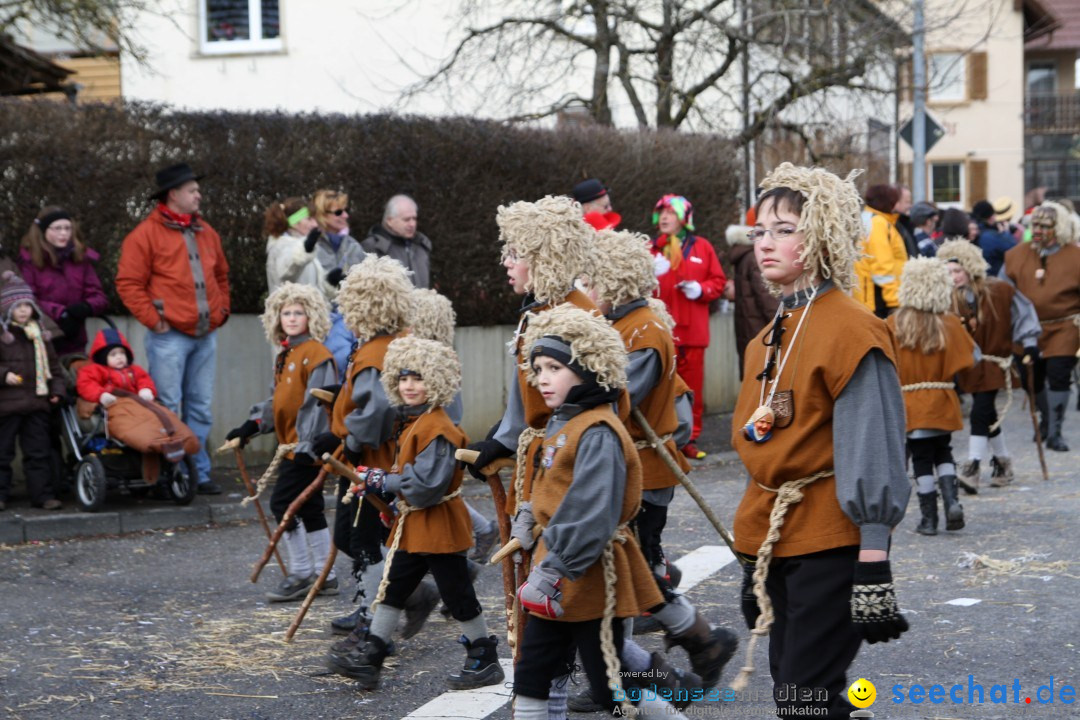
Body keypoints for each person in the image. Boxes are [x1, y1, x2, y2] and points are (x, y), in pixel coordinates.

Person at [734, 163, 910, 719]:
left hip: (830, 541)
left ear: (824, 234)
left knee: (802, 698)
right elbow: (762, 445)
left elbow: (874, 447)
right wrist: (749, 553)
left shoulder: (854, 329)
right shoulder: (764, 339)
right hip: (770, 539)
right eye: (761, 230)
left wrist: (874, 558)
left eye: (786, 229)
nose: (767, 243)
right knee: (797, 689)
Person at [510, 303, 688, 720]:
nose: (543, 379)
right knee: (532, 676)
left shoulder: (598, 430)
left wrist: (555, 569)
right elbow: (548, 492)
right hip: (559, 572)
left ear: (588, 369)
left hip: (589, 575)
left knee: (612, 688)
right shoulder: (563, 423)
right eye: (538, 369)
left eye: (554, 367)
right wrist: (528, 519)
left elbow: (591, 512)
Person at [581, 228, 738, 689]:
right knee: (635, 568)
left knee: (634, 569)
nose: (589, 291)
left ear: (613, 280)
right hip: (635, 467)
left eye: (594, 281)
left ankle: (667, 657)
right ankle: (697, 644)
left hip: (643, 470)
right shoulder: (621, 326)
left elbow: (621, 397)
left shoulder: (645, 330)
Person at [327, 335, 505, 691]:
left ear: (436, 381)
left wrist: (381, 481)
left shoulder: (437, 427)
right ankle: (372, 655)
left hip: (437, 525)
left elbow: (426, 486)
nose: (409, 386)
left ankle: (483, 655)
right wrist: (392, 501)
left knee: (457, 594)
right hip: (417, 524)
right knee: (393, 590)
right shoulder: (413, 422)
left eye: (419, 378)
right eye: (404, 378)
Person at [309, 257, 439, 645]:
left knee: (361, 538)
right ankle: (400, 596)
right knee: (357, 536)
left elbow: (378, 407)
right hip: (378, 458)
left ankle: (377, 614)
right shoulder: (395, 342)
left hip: (368, 462)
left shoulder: (371, 353)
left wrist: (344, 439)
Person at [115, 163, 230, 495]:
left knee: (200, 406)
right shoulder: (145, 235)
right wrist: (155, 321)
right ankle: (172, 474)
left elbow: (221, 275)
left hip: (206, 333)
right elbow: (128, 283)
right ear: (173, 194)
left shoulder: (207, 231)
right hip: (169, 337)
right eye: (192, 190)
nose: (198, 195)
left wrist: (221, 310)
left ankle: (199, 474)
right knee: (168, 405)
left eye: (197, 189)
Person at [225, 283, 339, 603]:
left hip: (307, 448)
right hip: (293, 446)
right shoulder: (286, 353)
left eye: (298, 312)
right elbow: (279, 402)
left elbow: (318, 405)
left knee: (283, 505)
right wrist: (251, 426)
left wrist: (308, 446)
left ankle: (302, 572)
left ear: (311, 315)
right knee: (311, 508)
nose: (291, 318)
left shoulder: (317, 355)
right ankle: (325, 575)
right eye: (285, 312)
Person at [939, 239, 1040, 492]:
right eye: (948, 272)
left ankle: (972, 466)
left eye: (958, 271)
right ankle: (1004, 463)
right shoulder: (948, 299)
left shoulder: (999, 290)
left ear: (970, 268)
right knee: (988, 415)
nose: (953, 277)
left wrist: (1029, 343)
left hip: (995, 362)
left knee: (979, 412)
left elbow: (1023, 313)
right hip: (968, 366)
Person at [406, 287, 498, 562]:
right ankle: (480, 532)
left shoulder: (436, 360)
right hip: (441, 431)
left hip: (438, 435)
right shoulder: (440, 354)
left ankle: (478, 533)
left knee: (439, 494)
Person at [887, 258, 976, 535]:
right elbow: (974, 356)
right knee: (944, 451)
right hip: (943, 401)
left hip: (911, 404)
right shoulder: (949, 322)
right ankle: (952, 501)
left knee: (922, 459)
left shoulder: (893, 323)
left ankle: (929, 519)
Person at [650, 194, 727, 459]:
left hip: (693, 332)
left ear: (684, 218)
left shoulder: (702, 247)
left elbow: (718, 281)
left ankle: (689, 440)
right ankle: (662, 439)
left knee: (692, 390)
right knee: (660, 390)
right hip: (661, 334)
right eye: (661, 213)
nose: (664, 218)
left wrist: (701, 289)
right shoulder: (650, 249)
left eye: (670, 212)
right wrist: (647, 274)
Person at [1002, 200, 1080, 453]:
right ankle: (1045, 419)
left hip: (1064, 327)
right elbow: (1003, 291)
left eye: (1044, 226)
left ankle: (1055, 431)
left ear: (1058, 228)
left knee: (1058, 375)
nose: (1037, 230)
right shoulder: (1015, 256)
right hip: (1026, 331)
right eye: (1034, 224)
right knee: (1030, 379)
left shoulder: (1075, 257)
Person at [76, 327, 200, 482]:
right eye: (113, 354)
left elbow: (144, 380)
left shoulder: (134, 370)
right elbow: (86, 385)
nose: (119, 357)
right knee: (134, 425)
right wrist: (100, 395)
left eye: (122, 353)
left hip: (140, 404)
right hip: (116, 404)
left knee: (164, 415)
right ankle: (152, 444)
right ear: (103, 357)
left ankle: (176, 439)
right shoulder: (93, 370)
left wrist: (146, 389)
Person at [0, 271, 64, 511]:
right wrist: (4, 375)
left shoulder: (41, 336)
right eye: (18, 306)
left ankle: (42, 495)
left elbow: (55, 369)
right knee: (2, 454)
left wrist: (56, 391)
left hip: (37, 404)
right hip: (7, 406)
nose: (24, 310)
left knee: (39, 453)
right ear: (7, 309)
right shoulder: (3, 336)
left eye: (27, 305)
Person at [17, 207, 107, 356]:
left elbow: (99, 296)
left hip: (75, 341)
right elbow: (26, 298)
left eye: (67, 228)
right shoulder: (29, 261)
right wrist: (61, 313)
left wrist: (85, 307)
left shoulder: (80, 259)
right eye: (57, 228)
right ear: (43, 231)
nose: (64, 233)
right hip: (40, 340)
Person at [312, 189, 368, 374]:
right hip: (317, 321)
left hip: (350, 321)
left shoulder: (353, 246)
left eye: (345, 210)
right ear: (322, 215)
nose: (345, 215)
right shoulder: (309, 246)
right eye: (338, 212)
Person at [726, 208, 780, 378]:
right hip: (764, 337)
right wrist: (786, 325)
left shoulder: (744, 255)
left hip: (751, 334)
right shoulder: (757, 258)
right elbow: (769, 301)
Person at [855, 183, 907, 318]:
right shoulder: (878, 223)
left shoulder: (868, 218)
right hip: (878, 298)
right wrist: (895, 302)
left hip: (868, 294)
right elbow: (882, 267)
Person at [263, 197, 332, 296]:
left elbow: (310, 285)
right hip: (291, 310)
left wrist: (331, 283)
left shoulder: (301, 246)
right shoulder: (281, 246)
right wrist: (305, 249)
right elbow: (287, 271)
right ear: (294, 223)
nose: (315, 224)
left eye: (314, 219)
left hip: (307, 310)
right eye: (309, 219)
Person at [361, 195, 432, 289]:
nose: (412, 224)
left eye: (414, 218)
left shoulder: (422, 246)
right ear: (389, 221)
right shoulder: (373, 247)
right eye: (406, 219)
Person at [971, 200, 1016, 277]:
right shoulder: (990, 236)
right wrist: (1006, 234)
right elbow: (1014, 250)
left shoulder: (972, 231)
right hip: (993, 279)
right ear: (991, 217)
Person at [892, 185, 919, 258]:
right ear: (895, 202)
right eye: (907, 202)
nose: (910, 206)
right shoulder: (893, 226)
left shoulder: (905, 223)